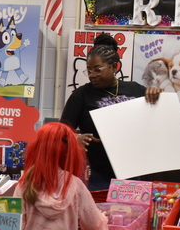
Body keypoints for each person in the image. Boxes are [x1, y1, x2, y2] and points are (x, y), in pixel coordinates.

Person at [60, 33, 160, 191]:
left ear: (114, 67)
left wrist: (156, 94)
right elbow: (61, 133)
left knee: (132, 208)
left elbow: (156, 122)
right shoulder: (81, 96)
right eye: (89, 70)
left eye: (97, 70)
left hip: (133, 173)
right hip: (98, 175)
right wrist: (75, 138)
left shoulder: (135, 90)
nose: (92, 76)